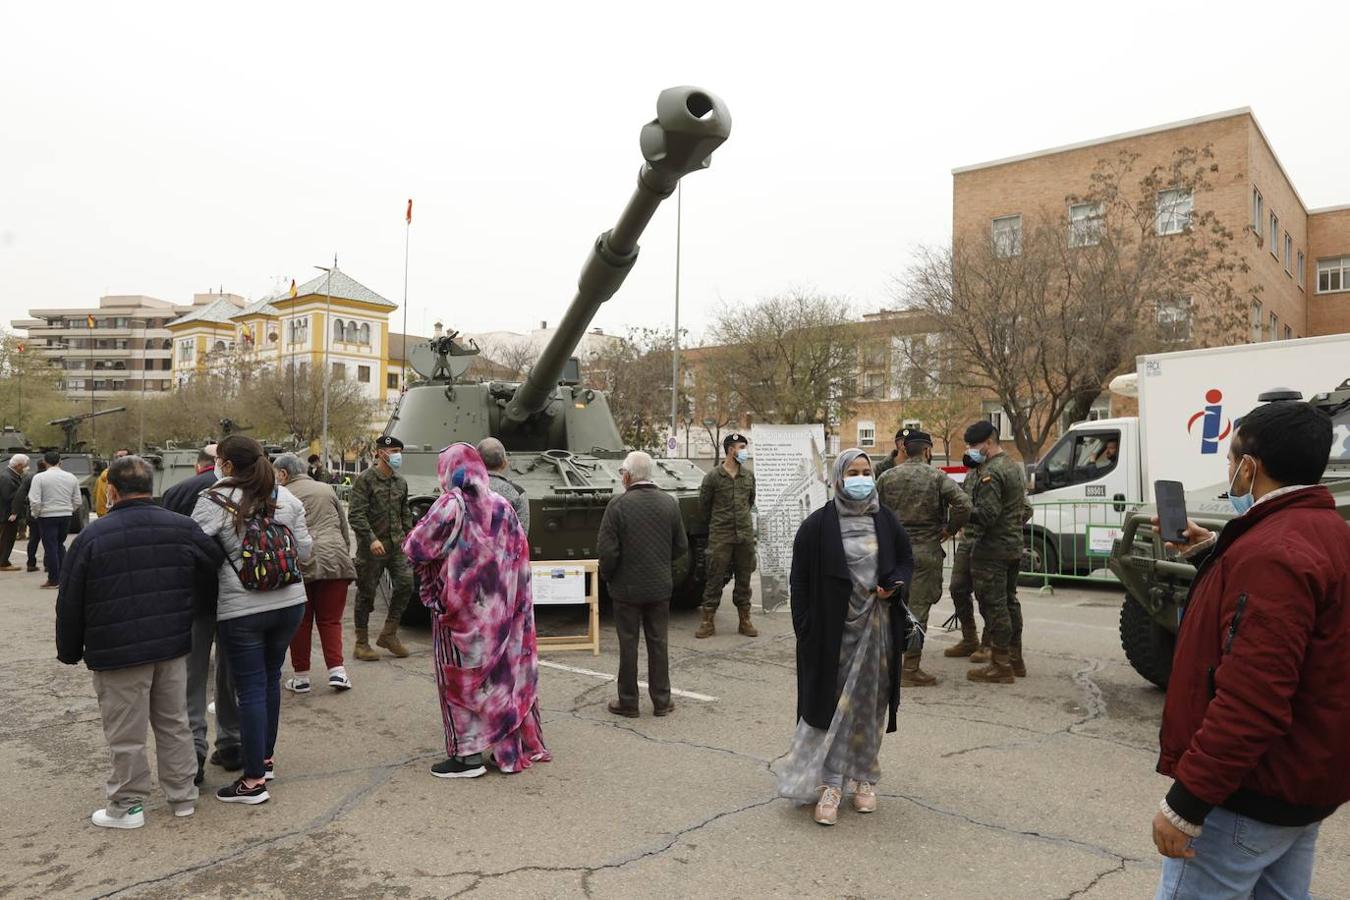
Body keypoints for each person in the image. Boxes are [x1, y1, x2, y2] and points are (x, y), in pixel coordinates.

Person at [1150, 401, 1350, 899]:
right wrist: (1210, 551)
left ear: (1249, 466)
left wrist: (1187, 804)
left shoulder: (1272, 554)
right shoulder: (1327, 533)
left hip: (1247, 798)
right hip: (1300, 784)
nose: (1229, 471)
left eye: (1230, 459)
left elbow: (1252, 698)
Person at [55, 455, 224, 828]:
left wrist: (69, 650)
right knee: (174, 722)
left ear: (111, 490)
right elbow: (214, 565)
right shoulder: (182, 527)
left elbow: (70, 600)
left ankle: (128, 805)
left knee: (125, 732)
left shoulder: (91, 537)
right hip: (172, 644)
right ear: (152, 486)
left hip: (117, 650)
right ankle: (182, 796)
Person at [774, 449, 914, 826]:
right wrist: (803, 627)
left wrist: (895, 585)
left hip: (878, 633)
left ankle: (864, 777)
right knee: (831, 707)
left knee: (870, 707)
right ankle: (831, 783)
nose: (860, 477)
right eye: (852, 471)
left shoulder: (885, 520)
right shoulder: (817, 526)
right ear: (837, 478)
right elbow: (799, 580)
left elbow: (905, 560)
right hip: (831, 635)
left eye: (866, 471)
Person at [403, 443, 550, 779]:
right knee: (501, 679)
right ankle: (504, 748)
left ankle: (467, 758)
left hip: (460, 614)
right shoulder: (503, 507)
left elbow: (417, 547)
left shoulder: (450, 506)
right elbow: (520, 561)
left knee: (460, 681)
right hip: (500, 616)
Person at [192, 435, 313, 805]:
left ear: (227, 465)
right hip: (291, 602)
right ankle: (266, 759)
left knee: (250, 689)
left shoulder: (214, 499)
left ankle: (253, 781)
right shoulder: (285, 497)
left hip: (243, 608)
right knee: (269, 680)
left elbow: (192, 548)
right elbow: (306, 551)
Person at [163, 444, 241, 781]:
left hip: (192, 598)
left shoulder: (177, 492)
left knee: (190, 678)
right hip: (235, 596)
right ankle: (232, 742)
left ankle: (193, 751)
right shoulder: (246, 492)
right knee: (230, 675)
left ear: (200, 465)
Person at [597, 450, 689, 718]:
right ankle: (662, 700)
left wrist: (609, 576)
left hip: (626, 590)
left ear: (627, 476)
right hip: (660, 587)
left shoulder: (617, 506)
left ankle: (628, 701)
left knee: (628, 644)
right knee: (658, 643)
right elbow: (681, 546)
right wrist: (660, 562)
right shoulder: (669, 503)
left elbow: (608, 552)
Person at [876, 429, 971, 686]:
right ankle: (910, 668)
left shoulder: (886, 477)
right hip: (925, 551)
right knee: (917, 610)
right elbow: (964, 504)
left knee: (890, 606)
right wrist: (949, 529)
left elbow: (871, 510)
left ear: (904, 449)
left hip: (894, 552)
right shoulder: (936, 477)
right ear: (928, 451)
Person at [274, 453, 356, 693]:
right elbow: (342, 525)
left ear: (284, 474)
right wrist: (343, 555)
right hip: (335, 560)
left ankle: (301, 677)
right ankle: (338, 672)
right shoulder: (326, 489)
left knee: (301, 621)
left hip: (301, 562)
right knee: (331, 620)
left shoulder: (281, 494)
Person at [962, 421, 1029, 683]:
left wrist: (962, 513)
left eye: (974, 446)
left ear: (988, 443)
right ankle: (1015, 659)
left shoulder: (991, 472)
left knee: (995, 606)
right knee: (1010, 602)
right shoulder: (1012, 466)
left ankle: (1000, 665)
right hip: (1012, 545)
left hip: (992, 549)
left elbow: (987, 515)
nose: (971, 451)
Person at [347, 435, 414, 661]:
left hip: (396, 547)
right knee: (366, 593)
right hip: (371, 548)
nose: (397, 455)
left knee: (406, 584)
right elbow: (355, 514)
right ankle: (361, 643)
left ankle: (389, 634)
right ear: (380, 452)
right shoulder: (364, 480)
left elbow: (405, 513)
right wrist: (371, 539)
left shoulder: (400, 482)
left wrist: (408, 538)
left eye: (399, 451)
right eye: (393, 450)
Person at [697, 432, 758, 639]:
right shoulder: (713, 477)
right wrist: (719, 525)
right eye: (742, 447)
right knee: (714, 577)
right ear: (731, 450)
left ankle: (745, 620)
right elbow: (704, 508)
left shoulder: (748, 476)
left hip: (744, 535)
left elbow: (749, 502)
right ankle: (707, 621)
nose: (744, 451)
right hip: (720, 535)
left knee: (744, 579)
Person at [943, 452, 985, 659]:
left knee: (987, 595)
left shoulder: (999, 474)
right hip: (967, 541)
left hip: (988, 543)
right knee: (958, 588)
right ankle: (970, 638)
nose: (970, 451)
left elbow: (1025, 508)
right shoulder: (970, 477)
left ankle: (990, 643)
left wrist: (1004, 529)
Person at [30, 450, 82, 588]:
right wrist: (69, 509)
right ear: (60, 462)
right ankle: (65, 576)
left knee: (51, 547)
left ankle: (54, 579)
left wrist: (36, 513)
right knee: (60, 544)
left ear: (44, 462)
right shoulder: (71, 477)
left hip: (47, 515)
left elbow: (34, 500)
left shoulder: (39, 478)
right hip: (65, 515)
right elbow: (77, 500)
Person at [477, 437, 530, 534]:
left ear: (477, 463)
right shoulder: (517, 493)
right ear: (504, 463)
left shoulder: (461, 489)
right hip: (504, 549)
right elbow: (521, 536)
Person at [0, 453, 28, 570]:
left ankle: (4, 561)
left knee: (9, 538)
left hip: (10, 514)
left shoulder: (12, 475)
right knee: (6, 539)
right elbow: (8, 496)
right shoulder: (7, 477)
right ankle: (2, 563)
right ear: (19, 465)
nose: (26, 468)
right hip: (7, 514)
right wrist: (24, 497)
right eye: (25, 465)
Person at [20, 458, 45, 572]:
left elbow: (22, 494)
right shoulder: (48, 478)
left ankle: (31, 563)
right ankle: (49, 564)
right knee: (48, 540)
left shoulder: (29, 477)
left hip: (32, 513)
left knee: (33, 539)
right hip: (46, 513)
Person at [93, 449, 130, 517]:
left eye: (121, 457)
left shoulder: (102, 476)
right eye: (117, 457)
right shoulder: (127, 477)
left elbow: (95, 495)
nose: (119, 459)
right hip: (118, 515)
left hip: (105, 514)